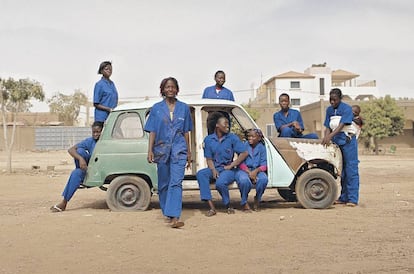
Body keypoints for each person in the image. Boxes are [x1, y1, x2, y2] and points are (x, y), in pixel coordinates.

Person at [144, 77, 192, 229]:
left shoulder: (184, 108)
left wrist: (189, 152)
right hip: (161, 149)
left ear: (177, 89)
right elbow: (152, 130)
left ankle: (175, 216)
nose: (170, 89)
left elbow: (186, 132)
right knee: (164, 184)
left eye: (173, 87)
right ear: (163, 90)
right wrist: (150, 150)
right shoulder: (156, 108)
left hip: (179, 150)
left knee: (176, 182)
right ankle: (167, 212)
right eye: (167, 87)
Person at [196, 112, 248, 216]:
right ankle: (211, 207)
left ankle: (227, 204)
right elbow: (209, 158)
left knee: (220, 183)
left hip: (227, 169)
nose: (227, 126)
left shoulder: (232, 138)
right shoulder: (209, 139)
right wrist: (213, 170)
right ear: (217, 125)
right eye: (225, 124)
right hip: (215, 168)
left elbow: (244, 153)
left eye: (228, 124)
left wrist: (232, 165)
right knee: (201, 174)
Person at [50, 121, 103, 212]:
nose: (95, 134)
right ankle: (64, 203)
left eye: (98, 132)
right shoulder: (90, 141)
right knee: (79, 155)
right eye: (93, 132)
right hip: (88, 168)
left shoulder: (105, 142)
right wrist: (80, 159)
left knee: (77, 170)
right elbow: (71, 149)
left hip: (101, 168)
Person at [322, 88, 360, 207]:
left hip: (348, 141)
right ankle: (343, 197)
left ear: (340, 98)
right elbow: (328, 126)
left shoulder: (346, 109)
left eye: (335, 100)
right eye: (330, 99)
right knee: (341, 171)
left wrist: (330, 136)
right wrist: (326, 137)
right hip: (337, 142)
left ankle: (353, 199)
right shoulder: (329, 110)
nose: (332, 102)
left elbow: (341, 125)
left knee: (351, 170)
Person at [235, 128, 268, 211]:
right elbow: (240, 162)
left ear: (259, 138)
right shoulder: (243, 146)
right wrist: (250, 172)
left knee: (263, 179)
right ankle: (244, 201)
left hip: (257, 170)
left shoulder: (262, 148)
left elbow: (264, 165)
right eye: (249, 136)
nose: (250, 138)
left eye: (253, 136)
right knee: (244, 181)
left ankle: (258, 198)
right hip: (244, 170)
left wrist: (256, 171)